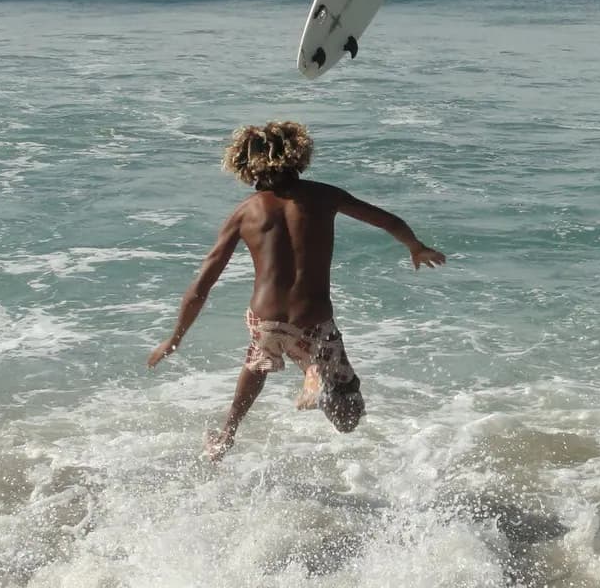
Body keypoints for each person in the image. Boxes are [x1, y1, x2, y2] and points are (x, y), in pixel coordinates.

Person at [147, 121, 447, 462]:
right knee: (348, 416)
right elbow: (388, 221)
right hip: (313, 321)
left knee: (257, 363)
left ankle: (227, 433)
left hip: (265, 321)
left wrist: (174, 339)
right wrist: (416, 247)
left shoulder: (244, 213)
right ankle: (314, 374)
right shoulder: (326, 196)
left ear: (244, 164)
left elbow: (201, 286)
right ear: (299, 155)